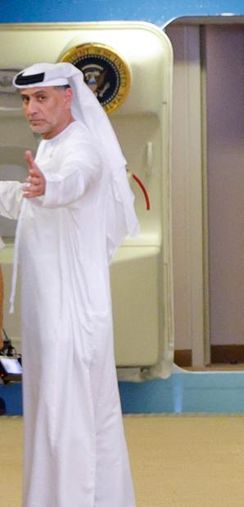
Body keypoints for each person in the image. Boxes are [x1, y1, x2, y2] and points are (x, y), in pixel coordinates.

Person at [0, 62, 139, 506]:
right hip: (50, 314)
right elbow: (33, 200)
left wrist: (51, 187)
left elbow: (73, 181)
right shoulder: (49, 147)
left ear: (67, 96)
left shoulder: (83, 146)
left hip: (73, 315)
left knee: (72, 415)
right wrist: (36, 189)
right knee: (51, 414)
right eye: (26, 100)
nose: (31, 109)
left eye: (41, 98)